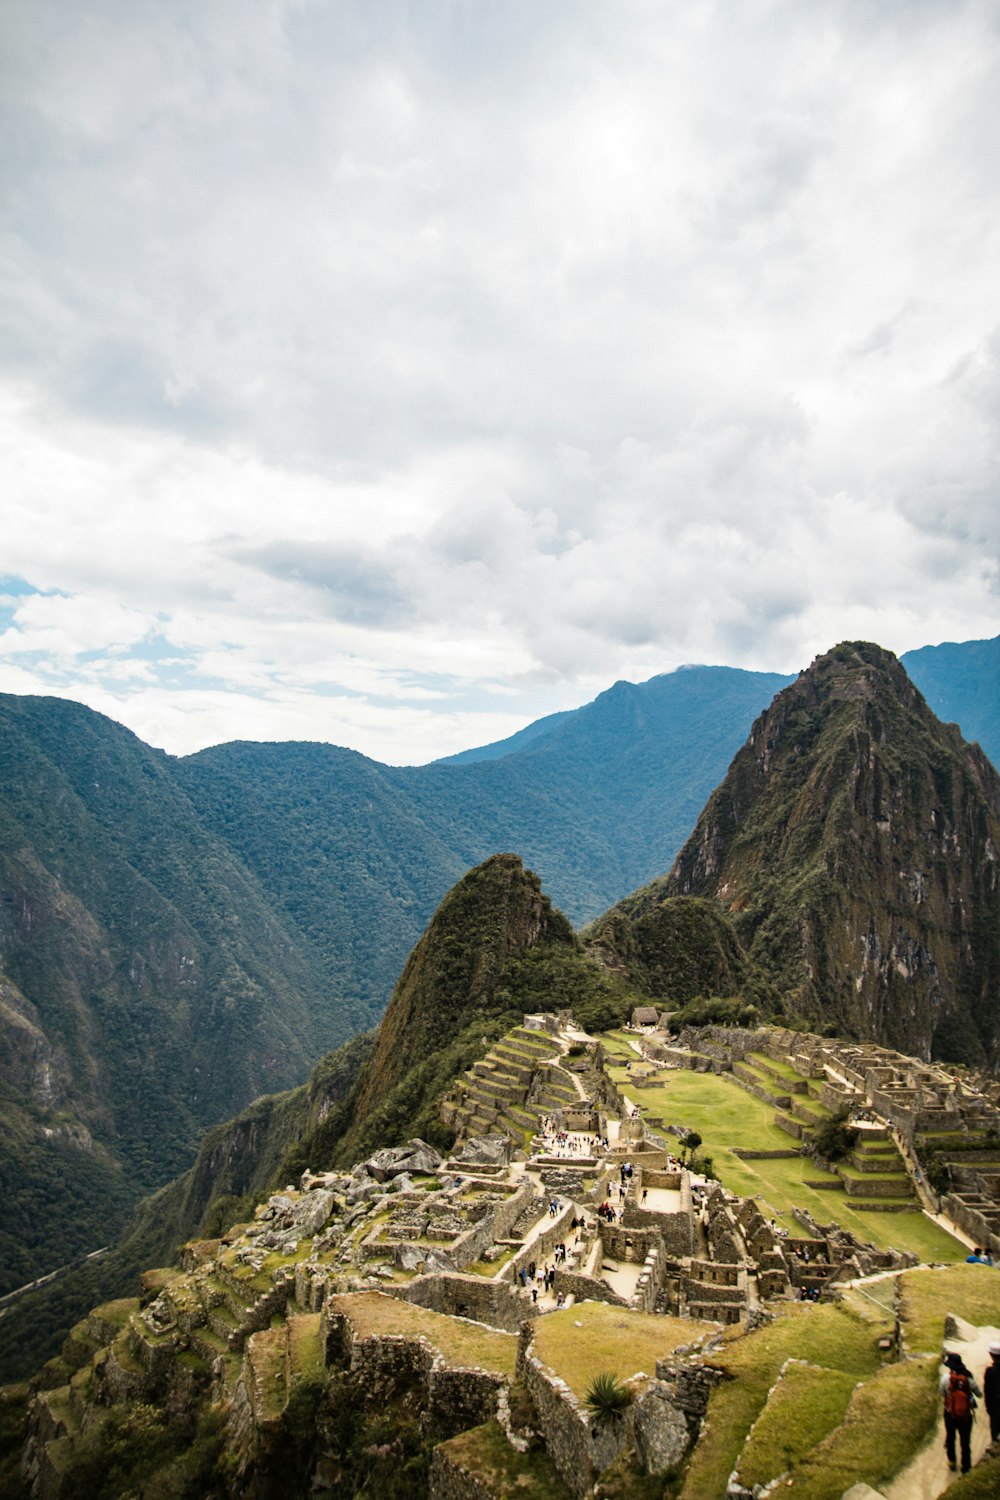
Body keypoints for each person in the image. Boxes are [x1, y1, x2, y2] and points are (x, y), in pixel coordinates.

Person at [941, 1351, 981, 1473]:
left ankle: (952, 1462)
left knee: (951, 1437)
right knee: (965, 1442)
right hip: (965, 1416)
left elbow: (941, 1393)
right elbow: (979, 1394)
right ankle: (966, 1467)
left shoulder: (945, 1378)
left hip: (950, 1413)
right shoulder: (968, 1378)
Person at [985, 1341, 1000, 1442]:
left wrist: (988, 1408)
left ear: (992, 1355)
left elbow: (987, 1392)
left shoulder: (990, 1371)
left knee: (995, 1434)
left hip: (996, 1406)